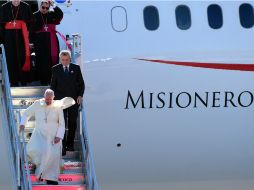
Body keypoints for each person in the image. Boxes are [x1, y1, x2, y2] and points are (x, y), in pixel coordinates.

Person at [19, 89, 75, 185]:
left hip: (53, 136)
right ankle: (39, 172)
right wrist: (23, 123)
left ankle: (51, 179)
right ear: (44, 97)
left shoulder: (57, 106)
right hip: (40, 134)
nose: (48, 101)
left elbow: (62, 123)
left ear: (53, 98)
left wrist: (59, 136)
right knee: (40, 152)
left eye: (50, 99)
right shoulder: (37, 104)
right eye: (46, 99)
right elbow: (26, 113)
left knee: (52, 157)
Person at [50, 50, 85, 155]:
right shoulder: (55, 69)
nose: (64, 62)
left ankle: (70, 145)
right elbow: (53, 85)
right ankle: (62, 146)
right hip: (60, 101)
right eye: (63, 60)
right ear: (60, 59)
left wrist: (80, 95)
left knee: (72, 123)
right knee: (62, 124)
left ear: (70, 59)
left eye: (66, 60)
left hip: (73, 100)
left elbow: (81, 84)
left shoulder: (76, 68)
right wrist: (53, 99)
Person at [30, 0, 63, 85]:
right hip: (40, 41)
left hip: (51, 41)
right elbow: (31, 31)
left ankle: (52, 80)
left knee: (52, 60)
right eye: (43, 7)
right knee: (42, 61)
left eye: (47, 8)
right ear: (40, 6)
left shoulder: (51, 14)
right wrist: (31, 42)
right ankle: (43, 81)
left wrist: (54, 5)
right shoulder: (34, 15)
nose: (45, 9)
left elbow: (60, 15)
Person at [0, 0, 33, 86]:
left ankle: (23, 80)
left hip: (22, 35)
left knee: (22, 56)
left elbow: (30, 23)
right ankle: (13, 81)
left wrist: (28, 38)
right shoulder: (4, 7)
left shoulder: (25, 6)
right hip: (8, 37)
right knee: (10, 58)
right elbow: (1, 25)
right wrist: (2, 40)